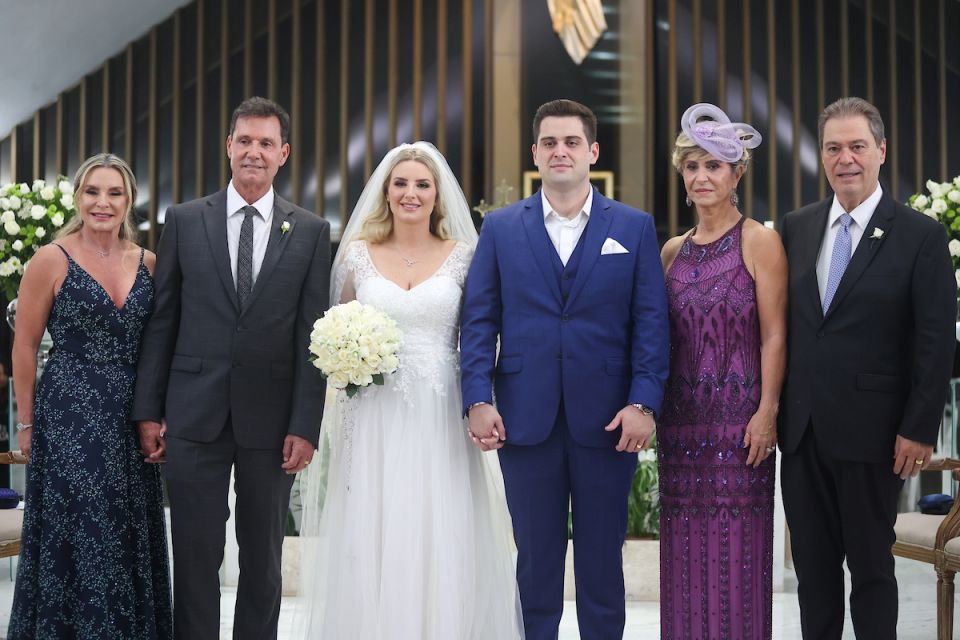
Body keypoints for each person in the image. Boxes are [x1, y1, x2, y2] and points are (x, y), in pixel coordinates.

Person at [294, 141, 523, 639]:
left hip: (441, 412)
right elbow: (338, 328)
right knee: (374, 526)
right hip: (374, 415)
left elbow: (482, 334)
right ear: (385, 191)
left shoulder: (465, 256)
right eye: (401, 183)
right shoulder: (357, 255)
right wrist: (348, 356)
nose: (411, 193)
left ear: (438, 195)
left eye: (422, 184)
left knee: (440, 525)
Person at [460, 99, 670, 640]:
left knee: (603, 560)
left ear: (592, 151)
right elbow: (479, 320)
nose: (560, 151)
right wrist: (477, 398)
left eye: (571, 142)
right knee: (535, 560)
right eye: (549, 142)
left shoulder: (633, 226)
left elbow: (651, 323)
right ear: (534, 153)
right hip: (525, 420)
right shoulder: (502, 228)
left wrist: (644, 403)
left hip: (609, 422)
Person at [131, 97, 330, 639]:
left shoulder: (310, 232)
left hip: (272, 424)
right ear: (229, 147)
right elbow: (162, 320)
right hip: (192, 415)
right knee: (195, 556)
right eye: (245, 140)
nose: (254, 152)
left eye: (266, 143)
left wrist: (305, 424)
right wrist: (148, 410)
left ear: (283, 153)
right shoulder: (185, 220)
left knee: (263, 561)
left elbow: (313, 335)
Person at [778, 96, 956, 639]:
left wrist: (919, 427)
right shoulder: (796, 227)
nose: (845, 158)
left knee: (873, 571)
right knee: (812, 573)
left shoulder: (920, 236)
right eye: (834, 147)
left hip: (876, 436)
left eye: (857, 146)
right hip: (803, 432)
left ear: (880, 151)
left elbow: (934, 342)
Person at [8, 153, 172, 638]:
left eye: (114, 193)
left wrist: (158, 413)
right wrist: (27, 421)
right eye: (93, 192)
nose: (103, 202)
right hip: (69, 415)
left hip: (132, 414)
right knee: (82, 530)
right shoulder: (50, 259)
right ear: (79, 198)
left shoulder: (150, 263)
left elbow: (160, 344)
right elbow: (25, 345)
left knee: (126, 528)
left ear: (129, 202)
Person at [658, 103, 785, 639]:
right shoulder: (670, 252)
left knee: (737, 558)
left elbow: (775, 334)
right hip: (680, 429)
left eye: (713, 165)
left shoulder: (759, 240)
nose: (701, 176)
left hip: (740, 430)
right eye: (692, 166)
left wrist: (767, 413)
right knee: (684, 559)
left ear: (737, 174)